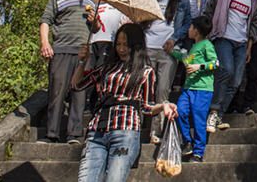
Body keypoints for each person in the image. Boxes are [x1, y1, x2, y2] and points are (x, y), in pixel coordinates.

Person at [70, 23, 178, 182]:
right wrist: (82, 62)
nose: (121, 49)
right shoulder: (107, 68)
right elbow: (76, 85)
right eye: (118, 44)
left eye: (126, 45)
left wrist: (164, 106)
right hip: (96, 131)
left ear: (136, 46)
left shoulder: (145, 71)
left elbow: (147, 107)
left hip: (126, 131)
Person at [203, 0, 257, 132]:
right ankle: (213, 110)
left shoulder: (255, 0)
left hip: (242, 42)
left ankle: (218, 115)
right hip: (222, 36)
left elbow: (253, 25)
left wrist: (249, 47)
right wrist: (205, 35)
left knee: (236, 81)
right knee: (226, 70)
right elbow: (210, 9)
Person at [39, 0, 98, 145]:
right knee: (56, 92)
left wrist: (95, 22)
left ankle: (74, 134)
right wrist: (45, 43)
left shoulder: (91, 0)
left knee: (79, 93)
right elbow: (45, 21)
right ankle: (51, 134)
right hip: (60, 50)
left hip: (83, 52)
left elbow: (96, 29)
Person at [143, 0, 191, 144]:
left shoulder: (182, 1)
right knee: (144, 89)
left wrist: (174, 39)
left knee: (162, 90)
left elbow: (187, 24)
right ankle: (139, 125)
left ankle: (156, 130)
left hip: (168, 51)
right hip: (147, 47)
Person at [173, 14, 218, 163]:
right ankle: (187, 141)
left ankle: (198, 152)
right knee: (180, 111)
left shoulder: (207, 45)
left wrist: (199, 67)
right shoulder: (193, 47)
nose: (189, 29)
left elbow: (215, 63)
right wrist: (171, 52)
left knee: (199, 119)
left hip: (203, 90)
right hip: (188, 88)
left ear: (196, 31)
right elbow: (187, 61)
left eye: (191, 27)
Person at [230, 0, 257, 116]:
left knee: (253, 74)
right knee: (235, 74)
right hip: (238, 40)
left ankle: (248, 103)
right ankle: (233, 104)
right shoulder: (235, 0)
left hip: (255, 43)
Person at [87, 3, 131, 111]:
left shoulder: (117, 5)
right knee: (90, 73)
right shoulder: (92, 3)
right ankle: (89, 102)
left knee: (102, 73)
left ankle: (98, 103)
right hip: (92, 41)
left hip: (110, 42)